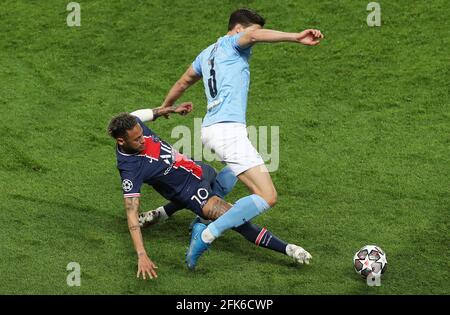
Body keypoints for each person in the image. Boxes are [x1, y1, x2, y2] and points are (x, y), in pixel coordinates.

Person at [158, 8, 324, 268]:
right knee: (267, 195)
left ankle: (201, 219)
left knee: (233, 173)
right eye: (250, 31)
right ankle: (206, 233)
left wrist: (166, 107)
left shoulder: (206, 54)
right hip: (226, 131)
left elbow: (182, 82)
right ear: (239, 29)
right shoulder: (234, 42)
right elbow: (256, 36)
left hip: (211, 129)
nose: (252, 38)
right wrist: (295, 37)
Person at [108, 104, 311, 279]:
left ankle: (167, 214)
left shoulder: (132, 124)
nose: (143, 139)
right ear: (121, 142)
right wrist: (141, 255)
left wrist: (170, 109)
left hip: (199, 168)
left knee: (238, 166)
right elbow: (131, 213)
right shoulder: (129, 170)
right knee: (236, 218)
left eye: (142, 134)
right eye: (137, 140)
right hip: (193, 193)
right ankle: (288, 249)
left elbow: (145, 114)